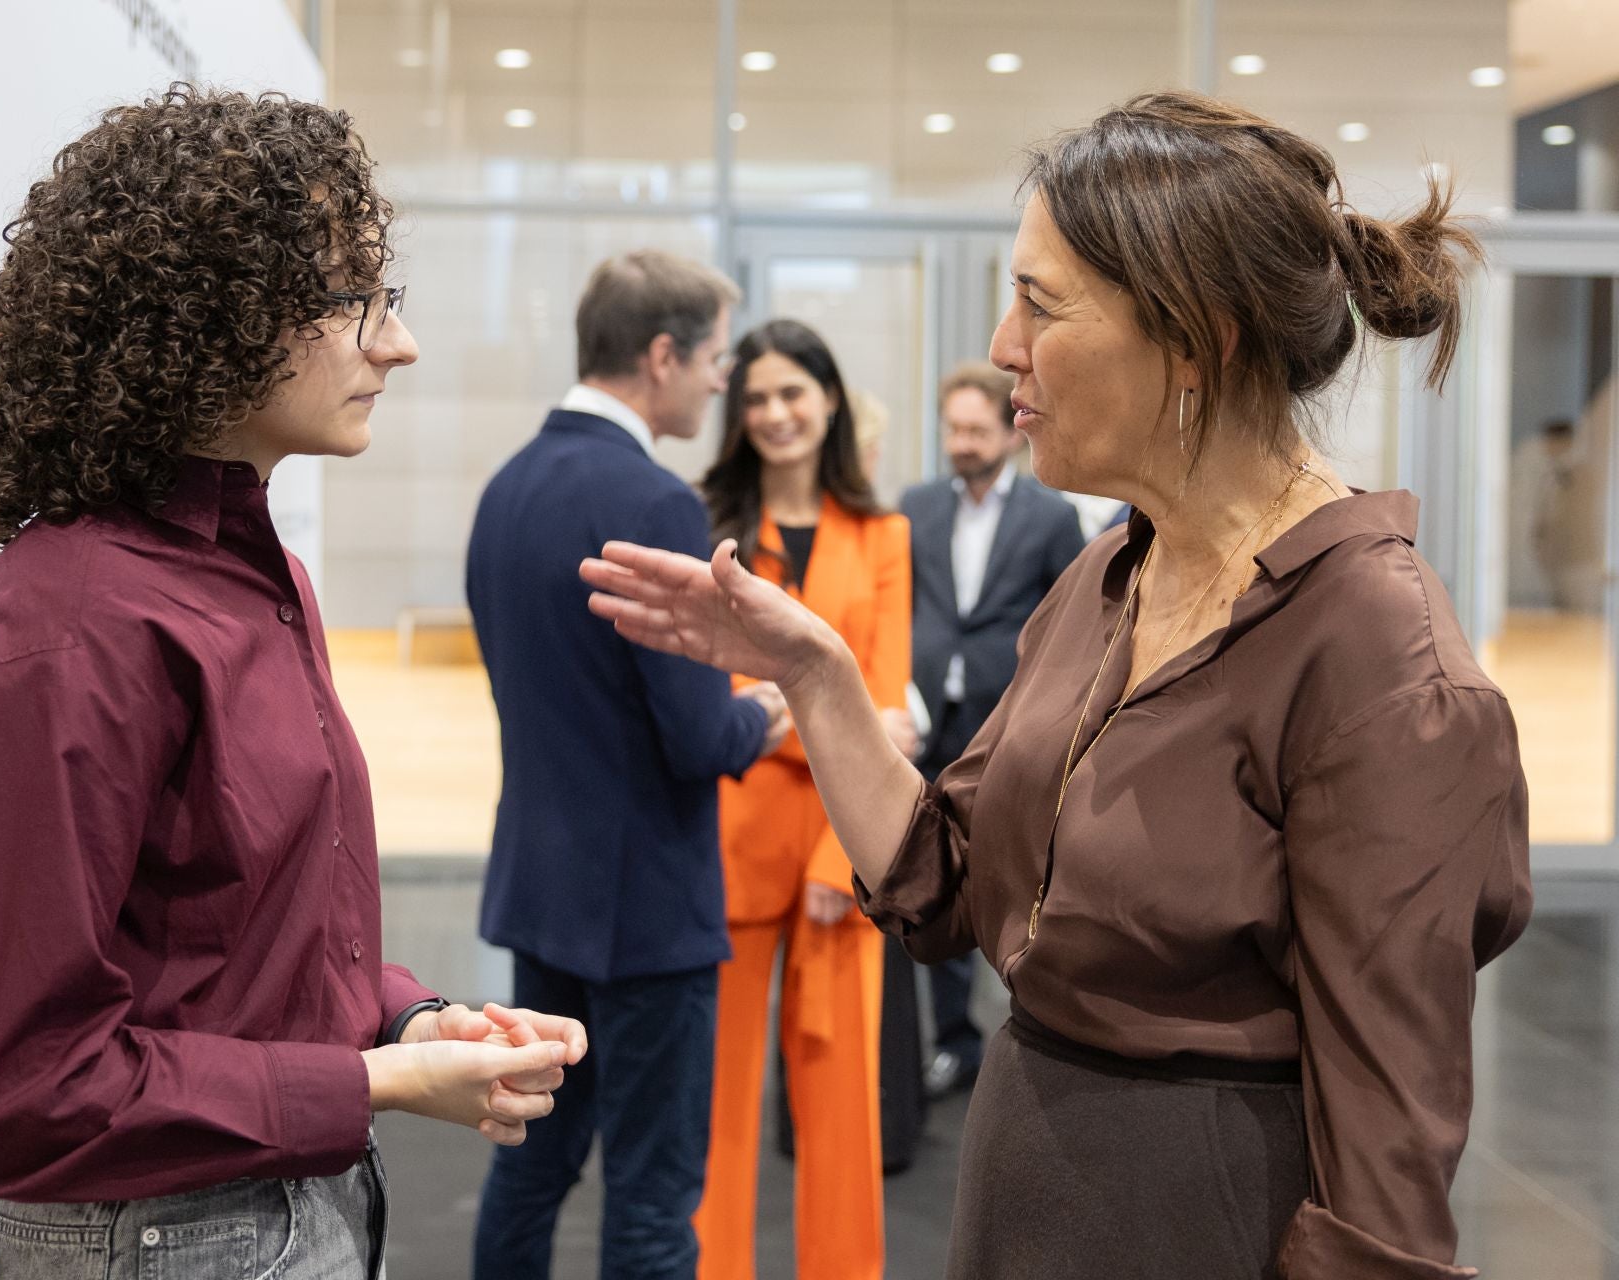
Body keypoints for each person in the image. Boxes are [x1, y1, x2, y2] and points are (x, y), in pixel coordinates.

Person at [582, 91, 1532, 1279]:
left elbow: (1388, 1184)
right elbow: (946, 879)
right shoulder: (1109, 573)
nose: (1001, 346)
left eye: (1041, 300)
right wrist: (816, 672)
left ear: (1197, 336)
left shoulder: (1380, 658)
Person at [0, 86, 583, 1280]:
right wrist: (373, 1077)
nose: (395, 343)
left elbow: (236, 941)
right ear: (206, 314)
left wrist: (407, 1015)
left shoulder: (257, 575)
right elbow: (13, 1088)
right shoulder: (73, 630)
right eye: (355, 299)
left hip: (281, 1211)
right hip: (155, 1240)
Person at [467, 250, 790, 1280]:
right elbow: (697, 737)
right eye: (713, 359)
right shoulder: (655, 502)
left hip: (543, 888)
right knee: (654, 1200)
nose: (718, 381)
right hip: (648, 907)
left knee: (533, 1167)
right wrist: (772, 712)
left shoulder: (505, 487)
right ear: (660, 355)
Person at [695, 318, 910, 1280]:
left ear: (829, 399)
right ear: (738, 417)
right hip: (727, 837)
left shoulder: (884, 535)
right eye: (757, 399)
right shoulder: (709, 527)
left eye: (794, 393)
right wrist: (824, 709)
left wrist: (844, 857)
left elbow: (890, 704)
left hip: (843, 842)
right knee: (719, 1101)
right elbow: (706, 691)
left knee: (841, 1094)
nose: (777, 414)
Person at [901, 361, 1084, 1098]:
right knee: (936, 881)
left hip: (1008, 727)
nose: (963, 442)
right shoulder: (914, 508)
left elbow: (1075, 622)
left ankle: (1032, 1037)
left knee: (1020, 883)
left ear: (1007, 433)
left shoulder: (1050, 517)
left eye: (976, 429)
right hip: (926, 724)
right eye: (953, 428)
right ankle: (954, 1041)